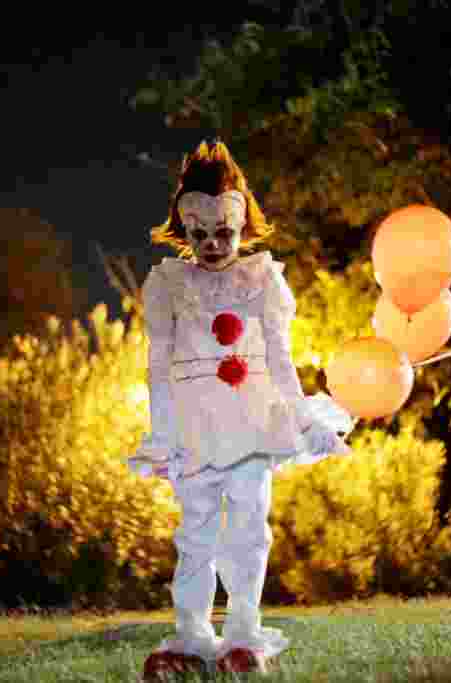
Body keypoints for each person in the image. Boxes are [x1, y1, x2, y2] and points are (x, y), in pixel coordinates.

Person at [127, 139, 356, 680]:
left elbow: (280, 357)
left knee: (249, 527)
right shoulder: (167, 284)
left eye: (223, 232)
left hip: (252, 421)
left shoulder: (262, 279)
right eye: (199, 233)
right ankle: (191, 633)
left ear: (242, 226)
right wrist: (161, 434)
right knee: (196, 531)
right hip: (193, 426)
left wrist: (300, 415)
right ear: (184, 231)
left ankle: (244, 631)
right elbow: (157, 364)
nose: (211, 245)